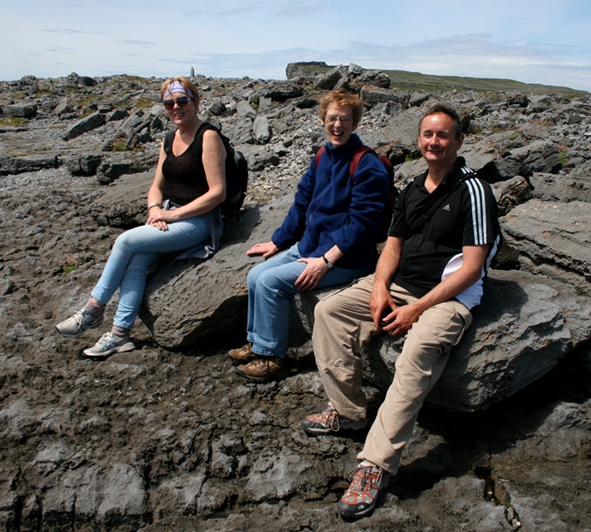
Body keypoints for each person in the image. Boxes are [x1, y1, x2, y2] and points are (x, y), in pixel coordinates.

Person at [300, 103, 502, 519]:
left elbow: (473, 267)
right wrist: (378, 288)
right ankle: (348, 412)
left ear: (459, 141)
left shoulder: (473, 190)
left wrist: (417, 310)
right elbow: (392, 246)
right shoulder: (412, 187)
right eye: (428, 134)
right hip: (400, 284)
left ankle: (375, 464)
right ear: (419, 139)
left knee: (416, 353)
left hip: (448, 298)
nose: (434, 142)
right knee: (330, 310)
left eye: (443, 135)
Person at [55, 76, 227, 357]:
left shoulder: (208, 136)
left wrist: (172, 215)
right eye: (169, 103)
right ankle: (120, 334)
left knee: (125, 242)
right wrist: (154, 210)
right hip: (170, 214)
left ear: (195, 101)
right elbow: (156, 185)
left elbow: (217, 193)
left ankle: (93, 309)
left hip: (199, 222)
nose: (176, 107)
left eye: (182, 100)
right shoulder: (169, 138)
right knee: (136, 261)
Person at [228, 89, 391, 382]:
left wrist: (325, 262)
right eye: (332, 118)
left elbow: (363, 225)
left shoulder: (367, 165)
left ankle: (270, 356)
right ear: (323, 120)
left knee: (270, 283)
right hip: (310, 246)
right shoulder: (322, 156)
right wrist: (278, 241)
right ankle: (256, 341)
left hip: (345, 259)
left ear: (355, 123)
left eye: (345, 119)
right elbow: (302, 202)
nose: (337, 125)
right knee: (255, 275)